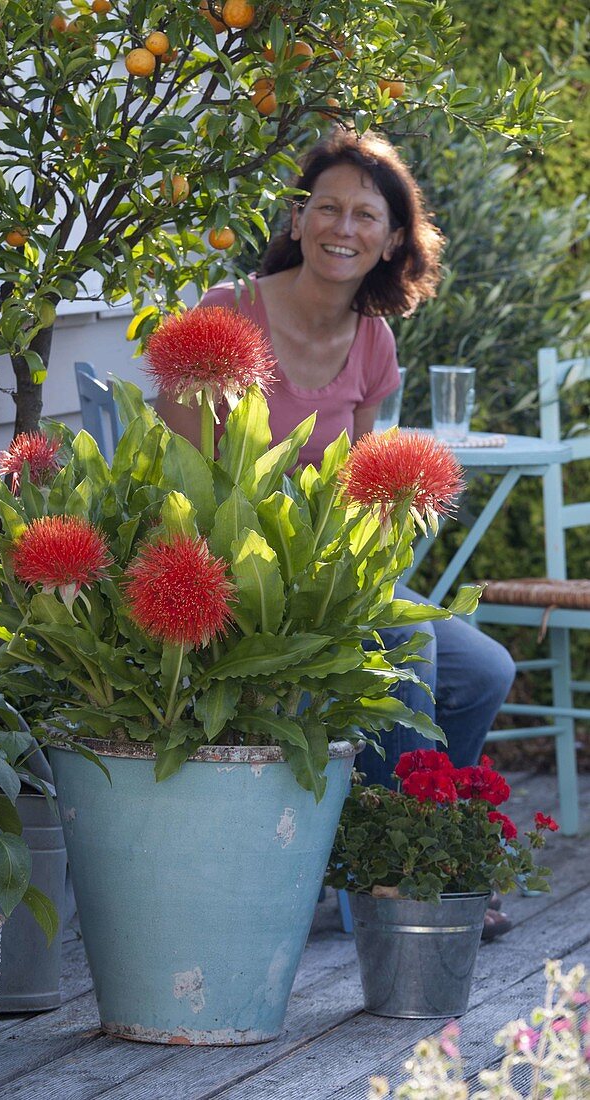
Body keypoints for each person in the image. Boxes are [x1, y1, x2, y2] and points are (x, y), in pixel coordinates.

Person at [156, 128, 516, 938]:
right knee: (409, 644)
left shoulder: (374, 342)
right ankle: (386, 875)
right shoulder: (226, 314)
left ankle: (404, 844)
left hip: (322, 574)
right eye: (327, 208)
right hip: (230, 578)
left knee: (486, 669)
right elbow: (174, 476)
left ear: (392, 241)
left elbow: (358, 489)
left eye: (365, 215)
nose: (342, 228)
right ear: (297, 219)